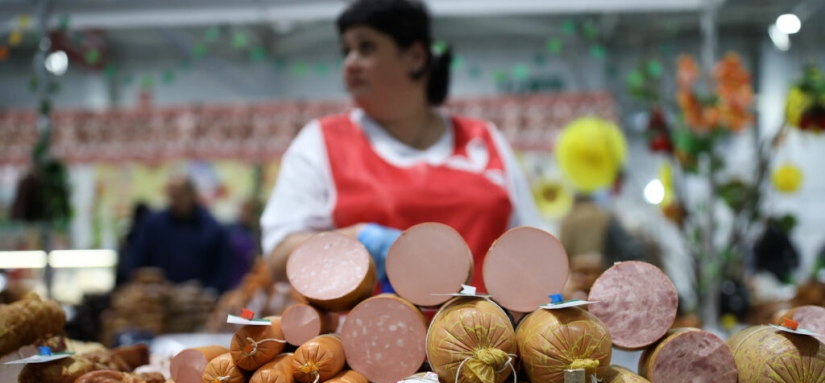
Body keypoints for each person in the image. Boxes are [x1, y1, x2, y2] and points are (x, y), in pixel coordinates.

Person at [260, 0, 544, 289]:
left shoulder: (483, 141)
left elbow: (535, 246)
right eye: (346, 51)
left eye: (366, 48)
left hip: (482, 331)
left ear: (416, 56)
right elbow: (279, 259)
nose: (350, 62)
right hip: (364, 331)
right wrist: (357, 240)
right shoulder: (321, 142)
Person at [125, 176, 231, 293]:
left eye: (181, 195)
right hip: (159, 300)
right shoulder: (153, 225)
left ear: (193, 195)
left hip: (199, 301)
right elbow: (137, 259)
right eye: (173, 196)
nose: (176, 201)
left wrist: (210, 291)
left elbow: (222, 268)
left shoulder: (212, 228)